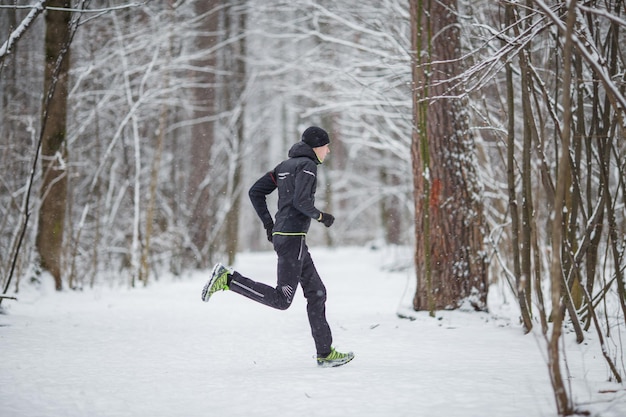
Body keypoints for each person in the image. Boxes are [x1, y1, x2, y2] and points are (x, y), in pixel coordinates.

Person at [201, 126, 354, 368]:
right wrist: (322, 217)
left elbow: (255, 192)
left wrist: (269, 226)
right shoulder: (308, 166)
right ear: (316, 147)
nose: (328, 150)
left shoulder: (284, 167)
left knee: (317, 293)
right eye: (325, 145)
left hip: (289, 236)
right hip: (292, 237)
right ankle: (228, 279)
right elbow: (301, 201)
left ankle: (325, 353)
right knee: (283, 299)